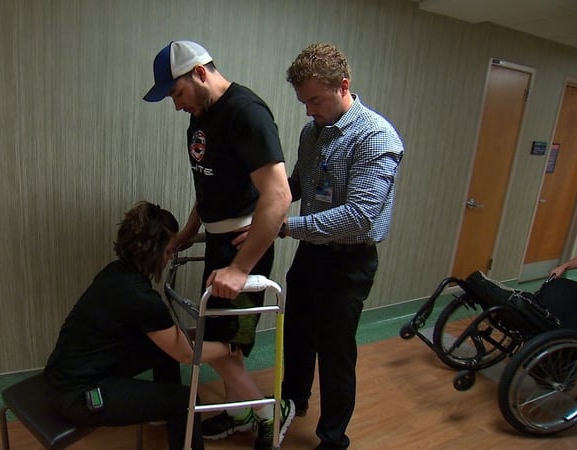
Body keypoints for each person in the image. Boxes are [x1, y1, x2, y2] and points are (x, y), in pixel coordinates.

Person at [143, 40, 294, 450]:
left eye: (176, 94)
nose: (176, 106)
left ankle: (270, 414)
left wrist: (241, 267)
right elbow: (209, 184)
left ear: (199, 73)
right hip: (217, 239)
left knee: (225, 346)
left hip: (245, 243)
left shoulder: (246, 113)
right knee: (224, 337)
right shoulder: (200, 118)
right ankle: (238, 411)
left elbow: (278, 196)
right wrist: (191, 229)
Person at [278, 43, 404, 450]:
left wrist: (286, 227)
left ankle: (333, 440)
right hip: (311, 253)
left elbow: (358, 216)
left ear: (343, 86)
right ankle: (291, 404)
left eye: (314, 100)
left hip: (348, 263)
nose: (308, 110)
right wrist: (261, 200)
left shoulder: (375, 136)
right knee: (296, 334)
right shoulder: (311, 132)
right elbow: (298, 184)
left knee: (335, 354)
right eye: (303, 102)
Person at [44, 201, 239, 450]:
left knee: (163, 349)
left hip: (65, 373)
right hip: (77, 395)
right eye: (169, 252)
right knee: (185, 401)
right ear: (151, 251)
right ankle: (171, 411)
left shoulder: (116, 273)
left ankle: (160, 412)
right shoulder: (140, 297)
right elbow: (187, 354)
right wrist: (232, 346)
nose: (170, 258)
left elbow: (170, 340)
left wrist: (197, 335)